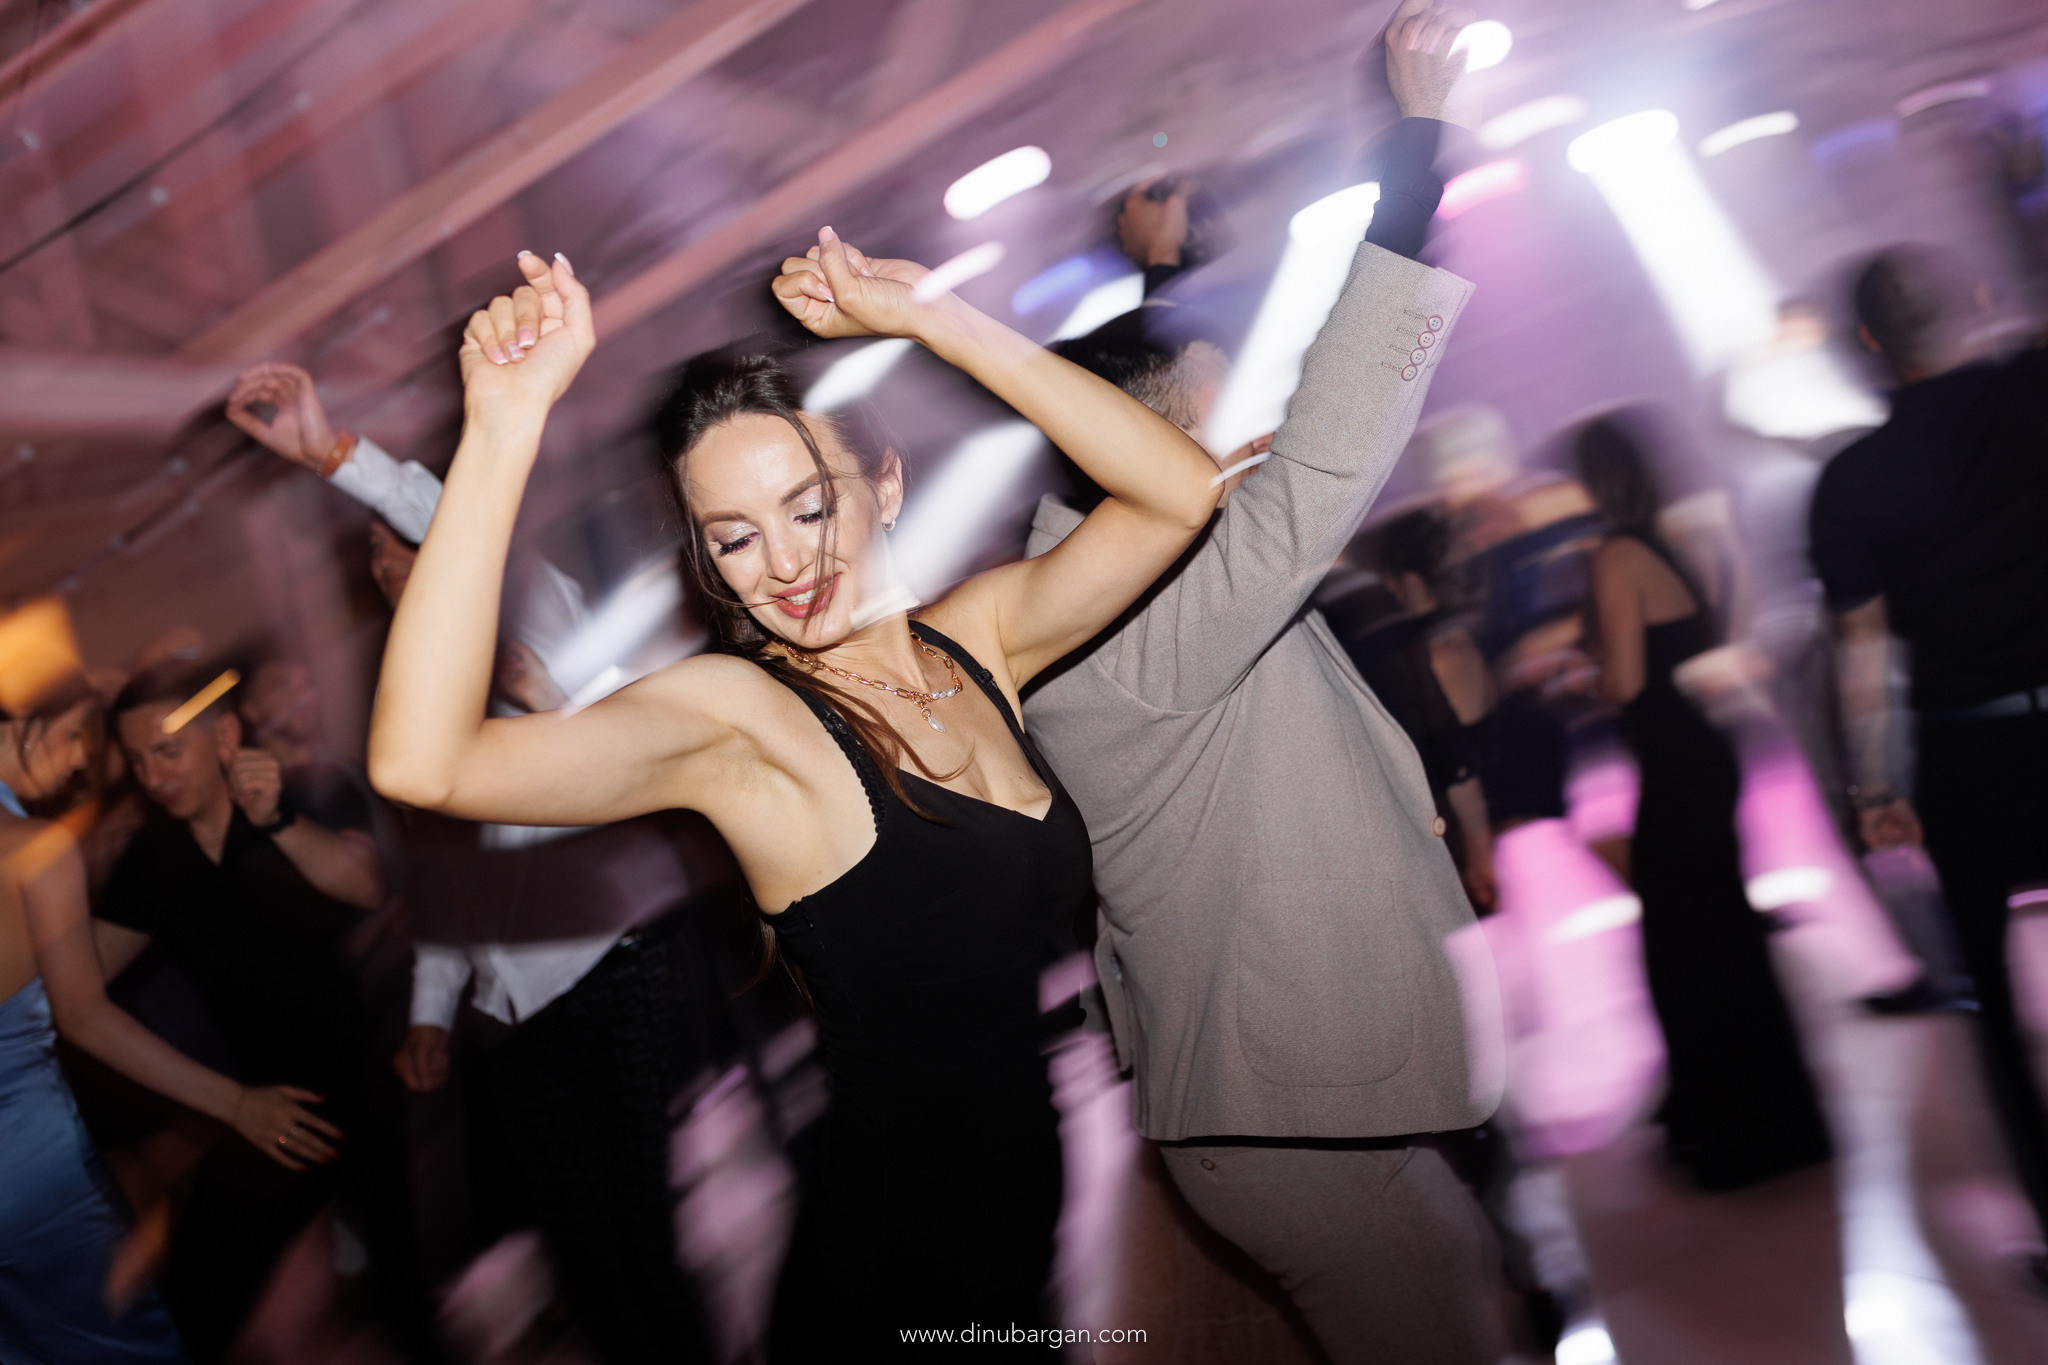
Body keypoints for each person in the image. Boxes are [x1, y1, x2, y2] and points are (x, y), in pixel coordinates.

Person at [364, 222, 1218, 1359]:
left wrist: (933, 319)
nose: (782, 564)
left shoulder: (979, 639)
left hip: (1019, 1196)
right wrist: (502, 427)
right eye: (733, 538)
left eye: (808, 508)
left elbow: (1178, 491)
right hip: (894, 1261)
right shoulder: (743, 721)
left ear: (886, 488)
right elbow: (422, 763)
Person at [1021, 7, 1506, 1360]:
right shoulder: (1130, 626)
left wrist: (1155, 286)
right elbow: (1332, 438)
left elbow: (1121, 425)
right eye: (1220, 427)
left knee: (1461, 1284)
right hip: (1276, 1118)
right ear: (1151, 445)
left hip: (1289, 1102)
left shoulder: (1106, 583)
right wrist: (1418, 146)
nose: (1248, 449)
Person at [1808, 244, 2048, 1265]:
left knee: (1989, 1005)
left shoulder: (1849, 483)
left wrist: (1871, 789)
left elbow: (1861, 658)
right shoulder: (2035, 389)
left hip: (1969, 755)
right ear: (1968, 304)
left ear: (1866, 345)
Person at [1, 681, 338, 1365]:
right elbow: (83, 1013)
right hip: (32, 1171)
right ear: (27, 726)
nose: (79, 772)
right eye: (83, 746)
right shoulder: (34, 853)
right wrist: (236, 1102)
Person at [90, 660, 417, 1360]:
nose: (153, 776)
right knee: (202, 1296)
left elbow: (364, 882)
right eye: (137, 761)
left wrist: (276, 821)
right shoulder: (155, 856)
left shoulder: (301, 792)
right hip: (270, 1105)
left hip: (368, 1075)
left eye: (168, 750)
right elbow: (78, 975)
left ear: (225, 734)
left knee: (410, 1292)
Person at [1580, 413, 1834, 1191]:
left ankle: (1737, 1130)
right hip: (1705, 752)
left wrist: (1579, 674)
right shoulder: (1674, 542)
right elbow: (1716, 633)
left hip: (1676, 766)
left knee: (1688, 949)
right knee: (1724, 939)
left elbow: (1624, 682)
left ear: (1597, 482)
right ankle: (1775, 1116)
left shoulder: (1616, 554)